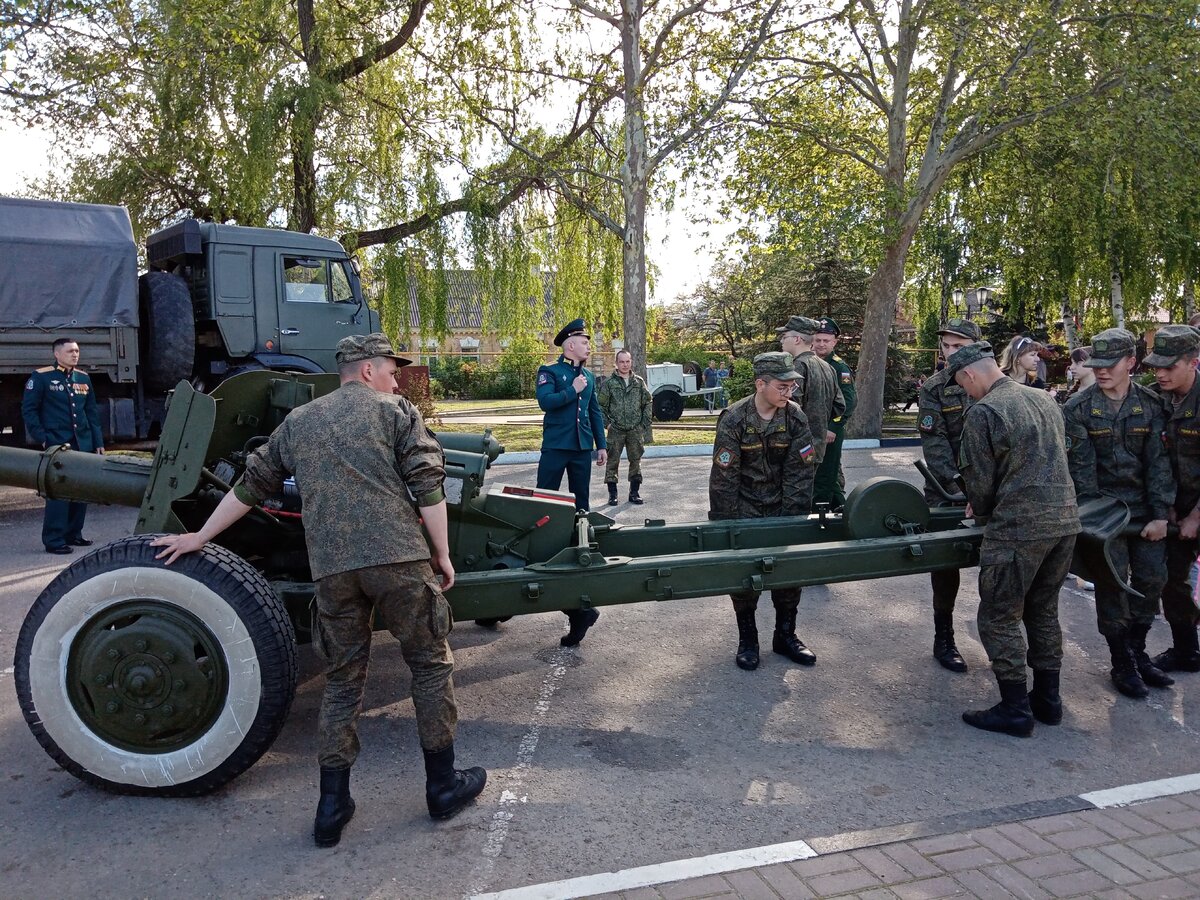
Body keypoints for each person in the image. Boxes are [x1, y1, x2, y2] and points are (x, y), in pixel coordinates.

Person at [150, 333, 486, 847]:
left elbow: (249, 486)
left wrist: (199, 536)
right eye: (392, 370)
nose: (397, 380)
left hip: (332, 570)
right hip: (398, 559)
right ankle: (442, 787)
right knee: (430, 666)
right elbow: (428, 485)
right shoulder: (394, 410)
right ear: (369, 370)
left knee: (343, 682)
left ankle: (331, 808)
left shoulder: (299, 422)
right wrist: (441, 554)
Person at [947, 342, 1080, 737]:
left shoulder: (984, 411)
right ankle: (1048, 701)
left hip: (1019, 528)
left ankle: (1015, 709)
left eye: (962, 385)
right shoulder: (1042, 399)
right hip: (1064, 522)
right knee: (1043, 610)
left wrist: (979, 506)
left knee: (998, 616)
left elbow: (981, 483)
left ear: (970, 375)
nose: (965, 393)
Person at [1063, 327, 1176, 699]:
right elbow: (1082, 473)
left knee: (1151, 581)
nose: (1102, 371)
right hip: (1103, 513)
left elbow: (1159, 464)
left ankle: (1138, 652)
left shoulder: (1152, 404)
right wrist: (1094, 523)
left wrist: (1160, 514)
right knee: (1112, 587)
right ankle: (1121, 662)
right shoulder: (1078, 408)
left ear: (1131, 362)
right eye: (1097, 364)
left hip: (1145, 511)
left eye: (1110, 364)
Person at [709, 352, 818, 670]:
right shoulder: (735, 418)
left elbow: (801, 473)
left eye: (792, 387)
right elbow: (724, 479)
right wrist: (726, 527)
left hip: (784, 507)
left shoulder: (795, 417)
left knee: (789, 574)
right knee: (744, 578)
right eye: (783, 386)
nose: (789, 392)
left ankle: (785, 636)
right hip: (743, 508)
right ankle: (748, 640)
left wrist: (791, 523)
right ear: (761, 384)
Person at [535, 318, 608, 645]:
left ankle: (581, 552)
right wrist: (571, 390)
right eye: (584, 341)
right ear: (568, 345)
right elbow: (546, 403)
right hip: (555, 447)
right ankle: (540, 548)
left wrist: (601, 444)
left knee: (582, 507)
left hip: (580, 448)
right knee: (543, 503)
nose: (588, 346)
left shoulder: (589, 376)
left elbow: (593, 411)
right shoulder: (550, 372)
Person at [916, 317, 982, 673]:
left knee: (999, 566)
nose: (951, 353)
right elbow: (936, 445)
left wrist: (988, 491)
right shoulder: (935, 388)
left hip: (995, 491)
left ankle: (997, 634)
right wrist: (961, 489)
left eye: (959, 346)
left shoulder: (995, 382)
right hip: (948, 491)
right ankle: (945, 636)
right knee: (945, 564)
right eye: (946, 346)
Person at [1142, 325, 1200, 673]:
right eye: (1155, 366)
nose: (1160, 373)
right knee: (1171, 580)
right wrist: (1169, 508)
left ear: (1193, 362)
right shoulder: (1156, 398)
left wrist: (1196, 516)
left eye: (1169, 366)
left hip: (1195, 509)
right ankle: (1187, 650)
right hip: (1177, 506)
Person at [21, 337, 105, 554]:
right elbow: (29, 410)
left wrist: (98, 443)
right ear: (57, 354)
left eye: (77, 351)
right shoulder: (41, 377)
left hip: (82, 442)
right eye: (70, 351)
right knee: (58, 492)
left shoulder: (83, 379)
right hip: (58, 444)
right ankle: (54, 539)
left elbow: (91, 414)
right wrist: (44, 438)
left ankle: (74, 534)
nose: (75, 355)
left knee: (81, 489)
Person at [778, 315, 844, 468]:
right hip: (816, 447)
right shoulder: (828, 367)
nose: (781, 340)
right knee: (807, 489)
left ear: (796, 339)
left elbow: (789, 406)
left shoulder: (797, 366)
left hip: (795, 447)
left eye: (784, 336)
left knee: (792, 490)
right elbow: (839, 405)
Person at [597, 348, 652, 506]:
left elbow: (647, 402)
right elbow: (601, 406)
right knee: (612, 461)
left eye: (627, 361)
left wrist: (644, 423)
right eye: (621, 361)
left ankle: (634, 493)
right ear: (616, 363)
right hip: (616, 430)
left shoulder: (638, 382)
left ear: (631, 362)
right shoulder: (609, 383)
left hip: (635, 429)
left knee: (636, 461)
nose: (625, 365)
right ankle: (612, 495)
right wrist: (607, 424)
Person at [812, 317, 857, 509]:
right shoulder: (809, 363)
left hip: (830, 432)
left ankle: (821, 512)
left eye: (826, 341)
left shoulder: (839, 367)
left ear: (834, 342)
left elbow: (849, 401)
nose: (821, 344)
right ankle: (843, 509)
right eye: (818, 340)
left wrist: (833, 427)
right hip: (813, 430)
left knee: (825, 474)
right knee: (822, 472)